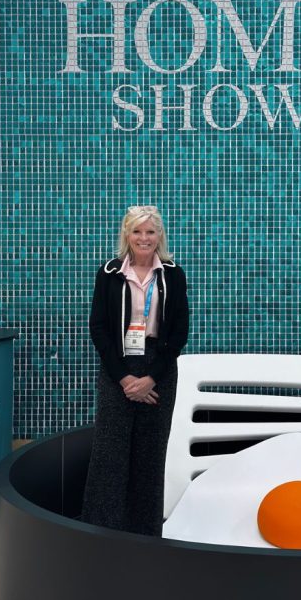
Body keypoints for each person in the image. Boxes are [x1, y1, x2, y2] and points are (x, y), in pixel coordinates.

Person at [81, 205, 189, 535]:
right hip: (119, 366)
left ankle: (144, 533)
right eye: (137, 231)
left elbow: (179, 332)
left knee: (150, 453)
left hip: (158, 366)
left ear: (160, 237)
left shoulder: (172, 273)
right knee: (109, 454)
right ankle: (102, 531)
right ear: (127, 235)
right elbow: (98, 327)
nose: (144, 238)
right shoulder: (110, 273)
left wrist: (151, 378)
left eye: (151, 232)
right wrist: (125, 377)